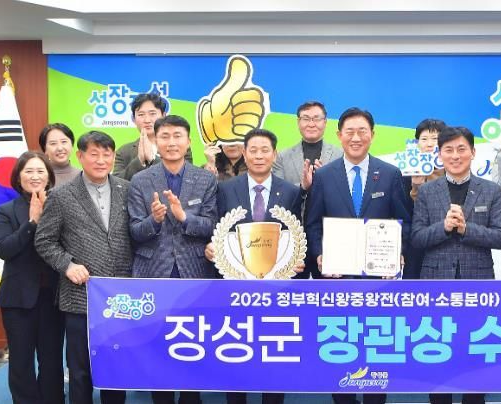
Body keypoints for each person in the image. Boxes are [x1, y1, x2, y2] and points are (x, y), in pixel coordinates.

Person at [304, 107, 411, 404]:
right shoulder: (324, 176)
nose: (355, 137)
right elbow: (312, 224)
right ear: (339, 135)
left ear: (372, 135)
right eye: (349, 131)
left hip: (378, 281)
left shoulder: (390, 174)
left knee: (375, 352)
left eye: (362, 131)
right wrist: (320, 254)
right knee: (340, 351)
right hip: (337, 281)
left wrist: (398, 253)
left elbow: (404, 222)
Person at [411, 126, 501, 404]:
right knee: (437, 354)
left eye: (461, 149)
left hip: (477, 286)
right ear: (439, 155)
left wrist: (467, 229)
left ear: (473, 152)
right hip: (435, 285)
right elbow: (416, 238)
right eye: (449, 150)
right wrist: (443, 227)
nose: (455, 156)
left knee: (475, 355)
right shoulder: (427, 191)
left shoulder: (490, 190)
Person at [205, 128, 302, 404]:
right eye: (253, 151)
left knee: (273, 351)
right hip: (235, 288)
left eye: (265, 150)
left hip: (275, 289)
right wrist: (212, 247)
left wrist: (295, 258)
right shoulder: (225, 189)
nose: (259, 156)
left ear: (275, 154)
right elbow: (217, 228)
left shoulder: (291, 192)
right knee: (236, 349)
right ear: (245, 155)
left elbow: (295, 234)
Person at [35, 131, 131, 404]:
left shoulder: (127, 189)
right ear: (80, 156)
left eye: (106, 154)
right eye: (94, 154)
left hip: (120, 296)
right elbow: (44, 240)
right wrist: (67, 265)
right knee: (80, 371)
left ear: (113, 156)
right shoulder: (61, 195)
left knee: (117, 367)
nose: (101, 160)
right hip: (80, 295)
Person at [127, 115, 217, 404]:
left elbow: (212, 226)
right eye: (164, 136)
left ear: (188, 141)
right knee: (157, 346)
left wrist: (183, 217)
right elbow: (134, 231)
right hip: (153, 272)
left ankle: (192, 398)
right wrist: (154, 220)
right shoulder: (140, 180)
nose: (171, 142)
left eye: (178, 136)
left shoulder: (205, 179)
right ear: (155, 141)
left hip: (194, 271)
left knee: (193, 342)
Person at [0, 151, 64, 404]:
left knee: (52, 360)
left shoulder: (60, 206)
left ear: (49, 176)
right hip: (18, 299)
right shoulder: (6, 210)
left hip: (53, 298)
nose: (35, 176)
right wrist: (32, 222)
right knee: (21, 362)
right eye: (29, 171)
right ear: (18, 177)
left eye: (40, 171)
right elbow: (4, 249)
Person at [273, 100, 343, 279]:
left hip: (329, 235)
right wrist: (303, 187)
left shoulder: (340, 155)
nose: (311, 123)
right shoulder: (282, 157)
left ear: (325, 122)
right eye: (306, 118)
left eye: (316, 118)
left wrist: (326, 180)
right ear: (298, 122)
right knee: (293, 291)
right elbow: (278, 195)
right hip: (293, 236)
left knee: (329, 291)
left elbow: (346, 196)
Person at [402, 118, 446, 279]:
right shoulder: (405, 174)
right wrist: (415, 187)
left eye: (435, 139)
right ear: (416, 143)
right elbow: (405, 213)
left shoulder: (454, 172)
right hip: (415, 247)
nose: (429, 144)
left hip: (446, 244)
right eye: (424, 139)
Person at [114, 92, 192, 180]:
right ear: (134, 119)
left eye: (152, 113)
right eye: (141, 114)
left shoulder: (179, 147)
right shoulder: (124, 151)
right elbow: (117, 184)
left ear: (163, 116)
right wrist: (139, 161)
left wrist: (153, 160)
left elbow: (187, 178)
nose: (147, 120)